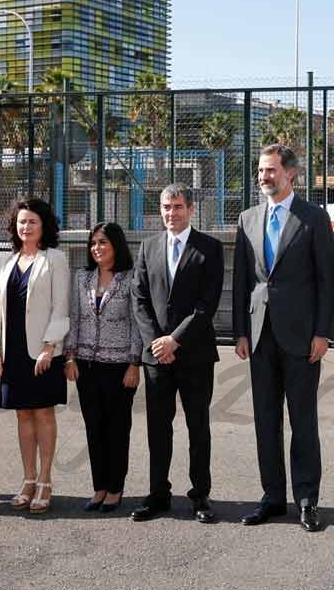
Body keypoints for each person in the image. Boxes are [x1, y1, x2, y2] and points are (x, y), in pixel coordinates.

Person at [233, 143, 334, 532]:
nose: (264, 177)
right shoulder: (247, 218)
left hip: (302, 336)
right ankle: (272, 497)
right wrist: (239, 332)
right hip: (260, 335)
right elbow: (242, 279)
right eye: (260, 171)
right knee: (265, 420)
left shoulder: (314, 217)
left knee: (303, 419)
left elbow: (328, 280)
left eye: (271, 170)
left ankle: (307, 501)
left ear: (290, 174)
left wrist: (323, 332)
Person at [130, 185, 224, 525]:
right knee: (158, 428)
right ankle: (158, 494)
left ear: (191, 209)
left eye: (179, 207)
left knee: (198, 427)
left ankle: (200, 496)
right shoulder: (148, 247)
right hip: (157, 357)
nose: (172, 213)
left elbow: (206, 305)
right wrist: (157, 342)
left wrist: (175, 340)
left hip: (195, 354)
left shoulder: (210, 248)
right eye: (167, 207)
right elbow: (139, 300)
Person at [0, 198, 70, 515]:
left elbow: (61, 306)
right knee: (22, 415)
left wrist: (50, 346)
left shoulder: (55, 259)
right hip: (13, 353)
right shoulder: (6, 262)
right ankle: (28, 479)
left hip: (43, 353)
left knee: (43, 414)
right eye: (21, 222)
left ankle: (46, 481)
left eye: (32, 221)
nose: (26, 227)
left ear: (44, 225)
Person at [65, 221, 141, 514]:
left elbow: (136, 324)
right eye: (93, 243)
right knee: (94, 428)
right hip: (86, 365)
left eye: (103, 243)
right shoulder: (82, 278)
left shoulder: (131, 279)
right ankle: (99, 487)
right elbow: (75, 318)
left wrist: (134, 363)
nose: (97, 248)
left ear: (116, 246)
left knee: (117, 429)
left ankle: (115, 488)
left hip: (119, 366)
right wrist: (70, 357)